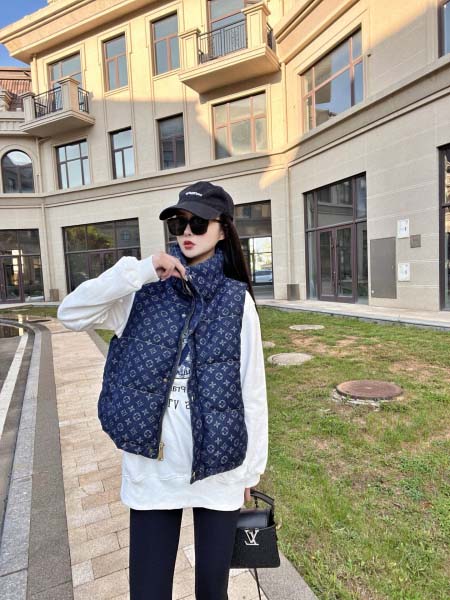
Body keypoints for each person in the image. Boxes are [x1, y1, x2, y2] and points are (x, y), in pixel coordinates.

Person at [57, 180, 269, 600]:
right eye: (178, 223)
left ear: (223, 230)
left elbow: (253, 389)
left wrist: (250, 471)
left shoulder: (236, 301)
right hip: (153, 471)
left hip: (220, 470)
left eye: (199, 223)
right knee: (148, 592)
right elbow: (70, 313)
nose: (187, 231)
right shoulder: (141, 291)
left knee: (213, 593)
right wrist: (139, 270)